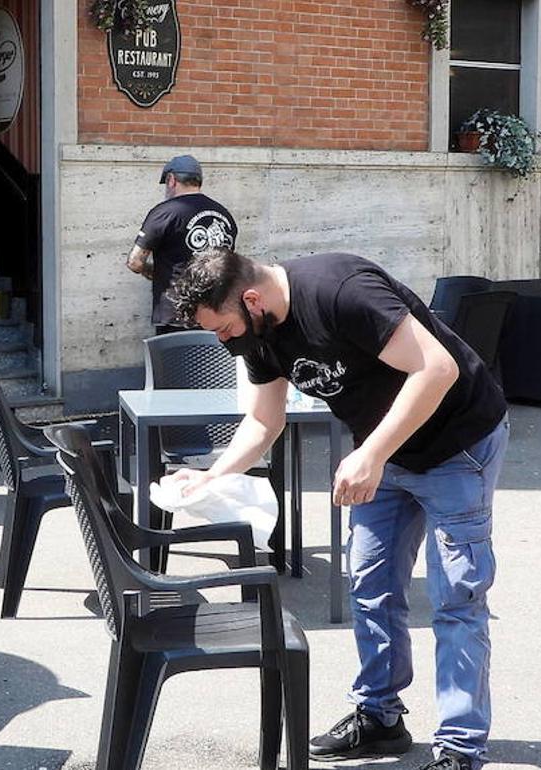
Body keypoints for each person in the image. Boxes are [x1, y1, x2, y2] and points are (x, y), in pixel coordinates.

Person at [166, 247, 508, 770]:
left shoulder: (340, 290)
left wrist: (369, 454)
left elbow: (435, 369)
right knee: (370, 584)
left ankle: (460, 748)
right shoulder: (259, 334)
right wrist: (213, 477)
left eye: (227, 330)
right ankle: (380, 718)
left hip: (456, 446)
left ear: (252, 299)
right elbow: (264, 422)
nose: (225, 343)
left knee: (456, 597)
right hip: (385, 451)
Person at [125, 154, 237, 335]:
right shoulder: (224, 215)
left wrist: (153, 272)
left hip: (176, 314)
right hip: (216, 315)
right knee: (212, 364)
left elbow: (135, 261)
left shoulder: (164, 212)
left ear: (171, 180)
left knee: (174, 364)